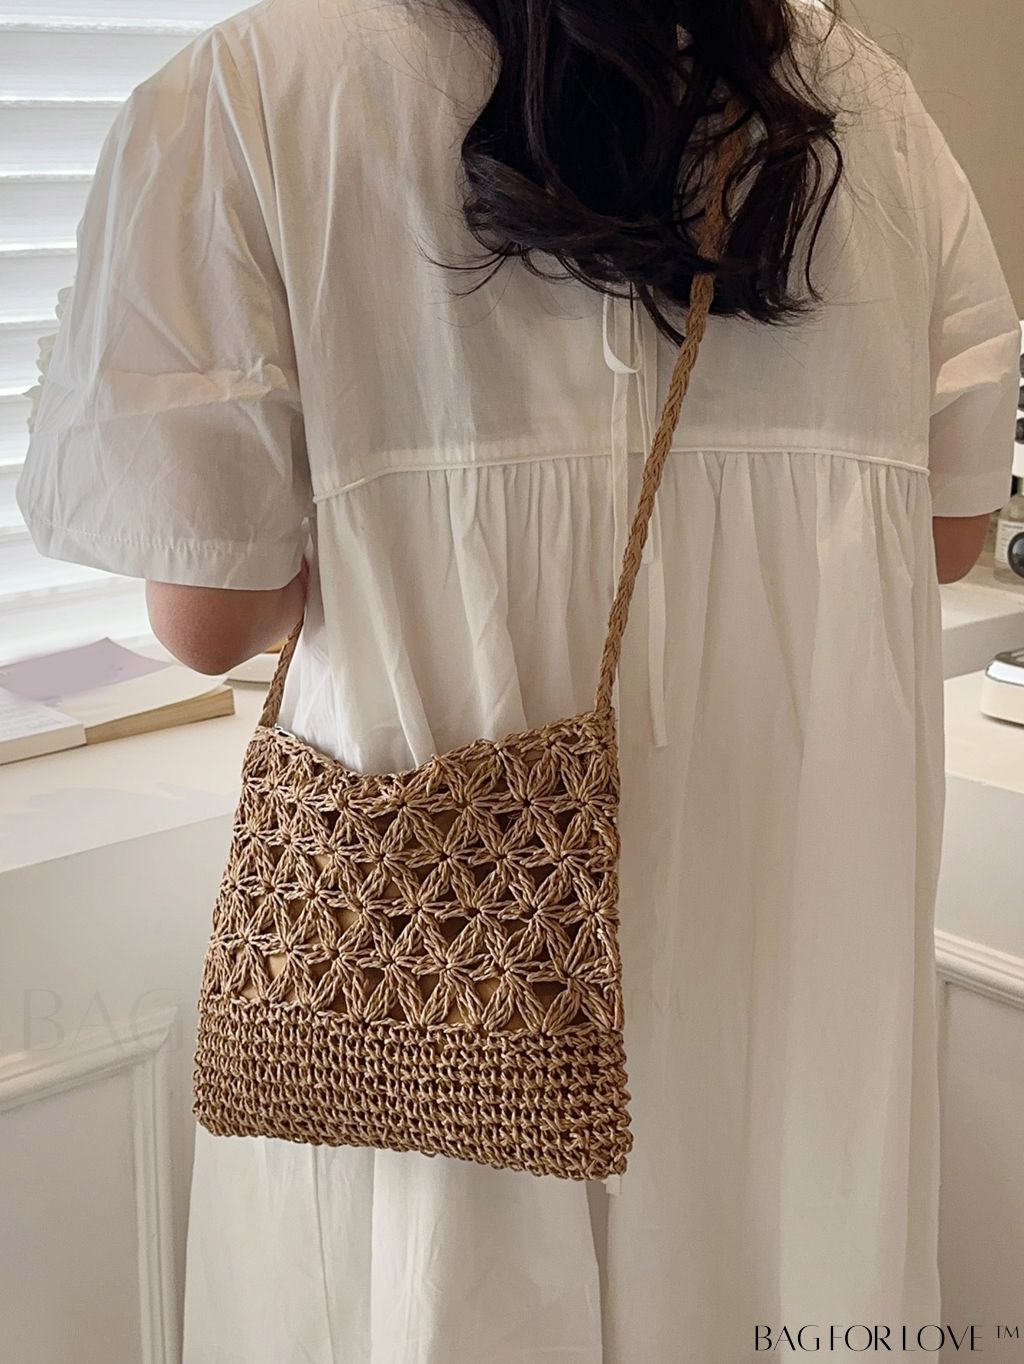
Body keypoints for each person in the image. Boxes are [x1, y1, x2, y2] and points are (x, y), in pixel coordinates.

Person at [16, 0, 1020, 1359]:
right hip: (788, 915)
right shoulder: (861, 104)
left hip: (445, 955)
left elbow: (212, 612)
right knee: (775, 1262)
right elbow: (950, 530)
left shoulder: (253, 92)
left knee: (446, 1298)